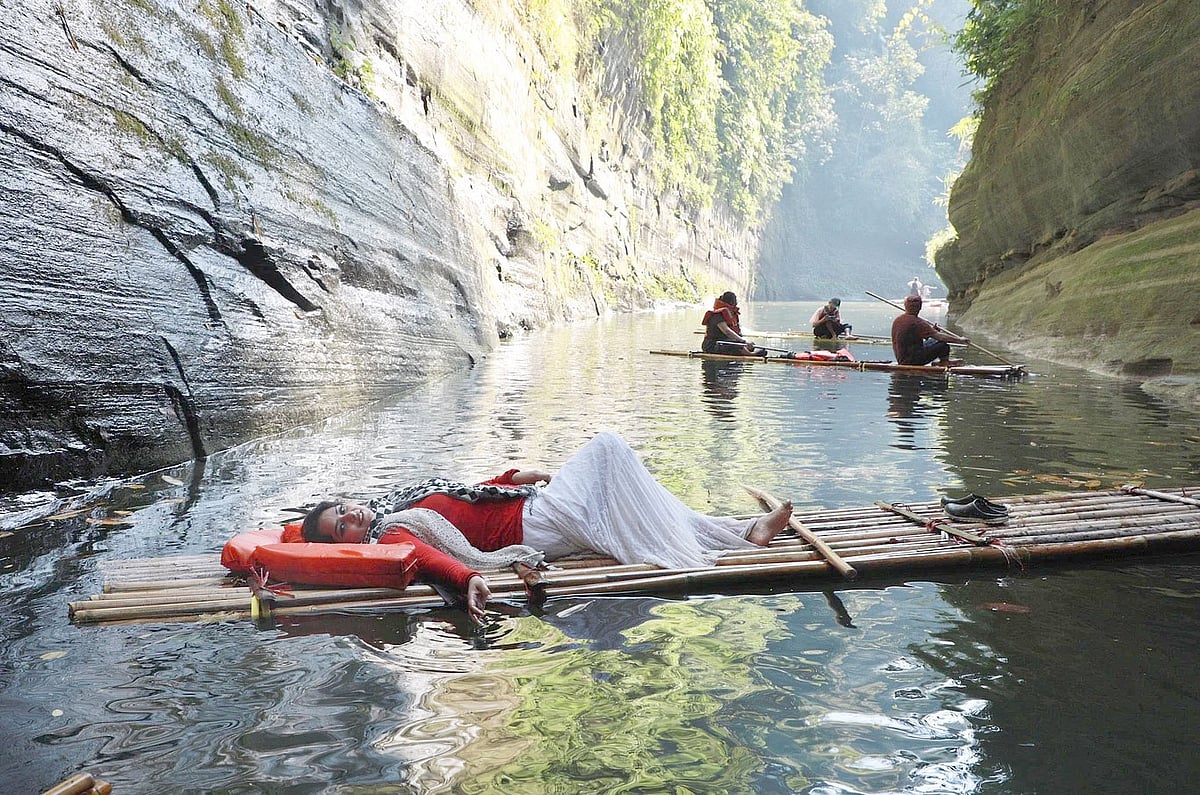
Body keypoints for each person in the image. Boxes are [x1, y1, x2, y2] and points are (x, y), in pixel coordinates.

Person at [301, 432, 794, 623]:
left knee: (632, 495)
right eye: (341, 527)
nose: (351, 518)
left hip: (528, 505)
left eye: (344, 509)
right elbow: (428, 558)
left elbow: (462, 496)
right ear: (345, 542)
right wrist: (466, 577)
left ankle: (745, 530)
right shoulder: (390, 535)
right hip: (530, 527)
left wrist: (511, 477)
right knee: (607, 451)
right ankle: (717, 546)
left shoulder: (393, 505)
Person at [891, 294, 968, 366]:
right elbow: (941, 337)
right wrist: (960, 340)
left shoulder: (897, 320)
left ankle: (942, 361)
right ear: (920, 307)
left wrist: (932, 330)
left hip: (901, 359)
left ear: (905, 306)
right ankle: (944, 362)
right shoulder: (918, 322)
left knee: (935, 341)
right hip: (912, 361)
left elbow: (914, 336)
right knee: (943, 344)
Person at [701, 292, 766, 356]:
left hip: (724, 342)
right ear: (731, 302)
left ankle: (746, 351)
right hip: (712, 345)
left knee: (750, 346)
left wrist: (745, 342)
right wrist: (743, 341)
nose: (736, 304)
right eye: (735, 302)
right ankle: (750, 354)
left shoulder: (729, 314)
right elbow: (727, 331)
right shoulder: (717, 315)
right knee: (737, 344)